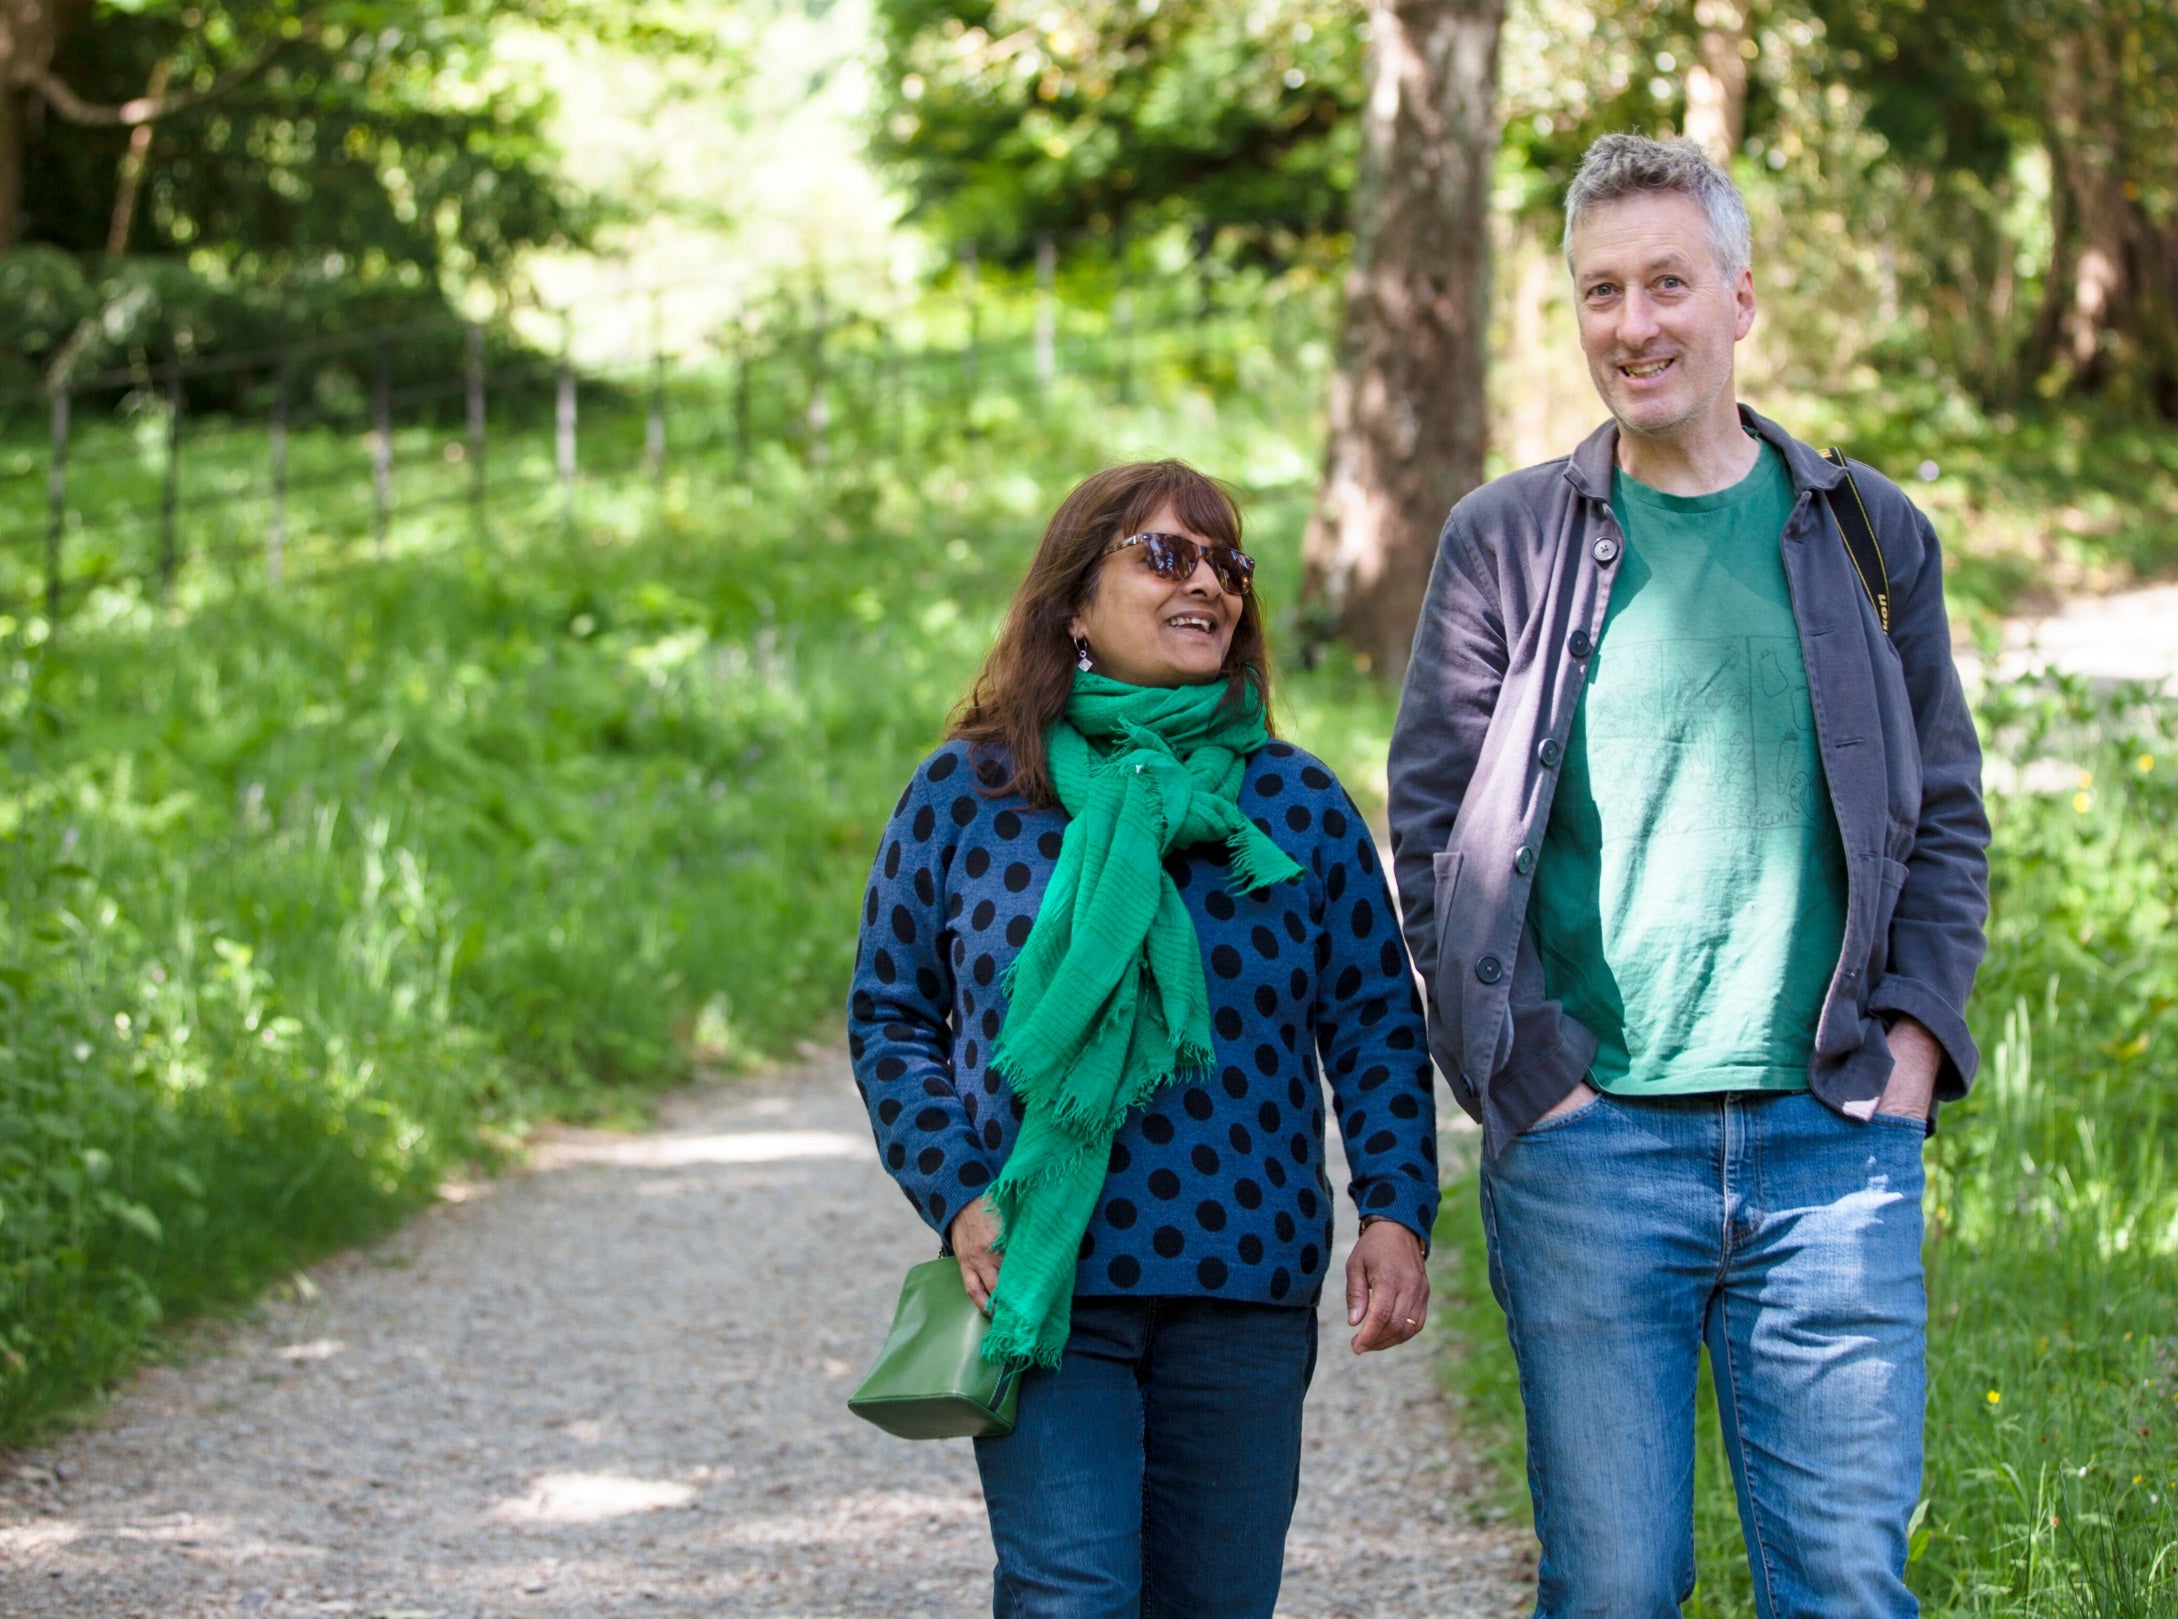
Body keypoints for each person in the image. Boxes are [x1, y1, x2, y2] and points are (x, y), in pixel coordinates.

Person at [1389, 135, 1991, 1618]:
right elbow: (1432, 835)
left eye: (1667, 282)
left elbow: (1951, 816)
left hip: (1833, 1139)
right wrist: (1529, 1070)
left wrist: (1912, 1040)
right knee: (1613, 1586)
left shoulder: (1863, 532)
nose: (1634, 323)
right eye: (1602, 291)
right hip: (1593, 1153)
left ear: (1739, 298)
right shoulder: (1507, 542)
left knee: (1847, 1583)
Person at [848, 460, 1438, 1618]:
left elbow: (1374, 1021)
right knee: (1072, 1594)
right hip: (1041, 1270)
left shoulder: (1296, 804)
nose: (1208, 582)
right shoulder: (968, 791)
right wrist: (961, 1191)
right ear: (1073, 603)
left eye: (1228, 562)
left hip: (1244, 1281)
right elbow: (893, 1016)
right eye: (1166, 555)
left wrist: (1397, 1209)